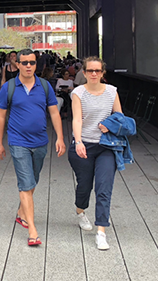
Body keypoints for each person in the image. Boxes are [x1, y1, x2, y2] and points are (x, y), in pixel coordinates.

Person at [0, 49, 66, 246]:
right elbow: (1, 116)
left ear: (37, 65)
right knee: (26, 183)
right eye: (24, 62)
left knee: (33, 180)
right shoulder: (8, 88)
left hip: (40, 142)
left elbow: (54, 113)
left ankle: (21, 212)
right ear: (17, 64)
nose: (28, 66)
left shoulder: (45, 86)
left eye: (32, 63)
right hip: (18, 142)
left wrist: (60, 137)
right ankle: (32, 230)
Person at [68, 57, 123, 251]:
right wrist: (79, 141)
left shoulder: (112, 92)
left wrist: (109, 125)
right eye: (90, 71)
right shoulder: (78, 93)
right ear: (83, 72)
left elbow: (119, 117)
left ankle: (101, 232)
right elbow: (76, 120)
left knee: (103, 187)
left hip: (106, 146)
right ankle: (80, 211)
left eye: (97, 71)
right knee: (85, 185)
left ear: (102, 73)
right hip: (84, 144)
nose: (93, 74)